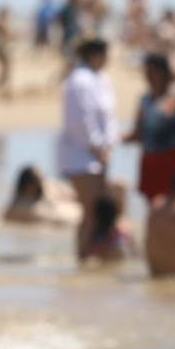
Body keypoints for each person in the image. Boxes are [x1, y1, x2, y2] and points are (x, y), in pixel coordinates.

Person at [58, 38, 118, 260]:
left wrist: (108, 145)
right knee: (90, 211)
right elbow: (81, 120)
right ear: (94, 54)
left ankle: (99, 255)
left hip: (100, 153)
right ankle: (82, 259)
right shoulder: (79, 81)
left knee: (102, 209)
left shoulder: (101, 78)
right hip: (79, 154)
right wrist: (97, 147)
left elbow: (109, 116)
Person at [123, 53, 175, 207]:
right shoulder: (145, 100)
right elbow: (138, 134)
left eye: (153, 71)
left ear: (164, 72)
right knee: (154, 208)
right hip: (150, 161)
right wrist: (113, 138)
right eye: (147, 71)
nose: (149, 76)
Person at [2, 164, 81, 225]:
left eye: (41, 181)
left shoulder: (49, 188)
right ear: (27, 186)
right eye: (37, 183)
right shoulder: (18, 206)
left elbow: (74, 195)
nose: (40, 186)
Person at [85, 192, 135, 263]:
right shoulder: (124, 233)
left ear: (96, 215)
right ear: (115, 213)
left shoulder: (94, 236)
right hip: (120, 260)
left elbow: (85, 256)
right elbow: (135, 252)